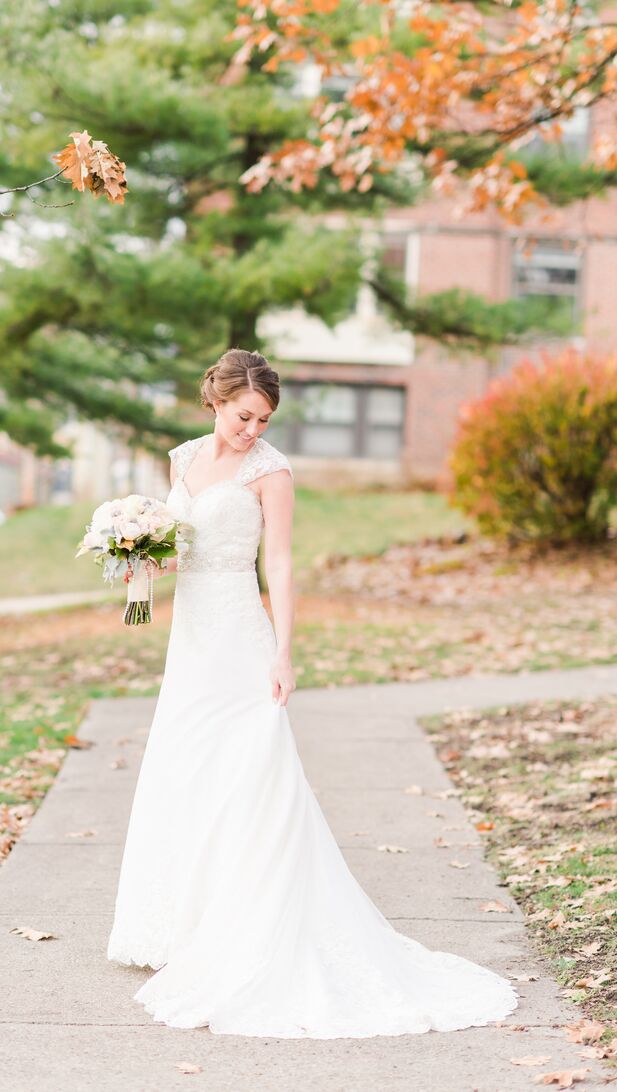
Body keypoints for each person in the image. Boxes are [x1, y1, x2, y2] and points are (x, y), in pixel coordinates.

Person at [106, 348, 519, 1038]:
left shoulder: (272, 472)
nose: (252, 431)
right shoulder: (181, 461)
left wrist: (286, 649)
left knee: (251, 771)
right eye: (244, 416)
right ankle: (181, 925)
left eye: (263, 420)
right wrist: (138, 561)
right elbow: (184, 548)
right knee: (187, 765)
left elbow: (282, 561)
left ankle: (250, 923)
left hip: (241, 633)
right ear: (217, 399)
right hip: (192, 641)